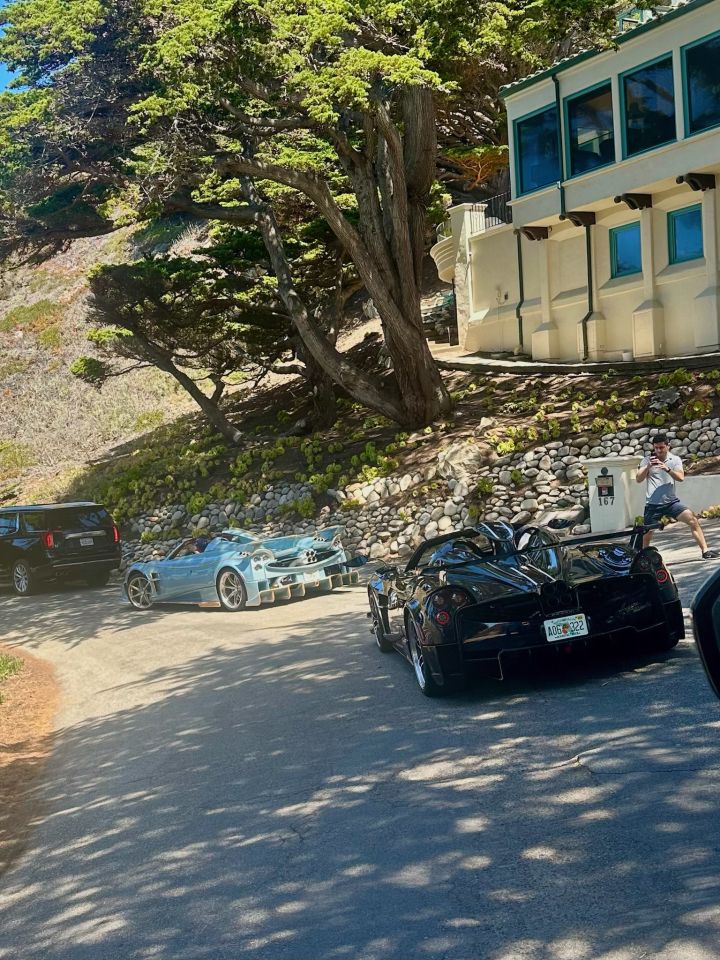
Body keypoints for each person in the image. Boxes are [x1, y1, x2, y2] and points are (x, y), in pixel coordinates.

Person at [636, 433, 719, 559]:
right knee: (647, 532)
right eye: (656, 448)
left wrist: (667, 469)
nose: (658, 450)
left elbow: (680, 477)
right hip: (653, 505)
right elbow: (638, 479)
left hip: (671, 503)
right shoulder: (647, 460)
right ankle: (643, 557)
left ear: (668, 446)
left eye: (661, 447)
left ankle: (705, 551)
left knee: (693, 520)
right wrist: (648, 466)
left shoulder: (675, 460)